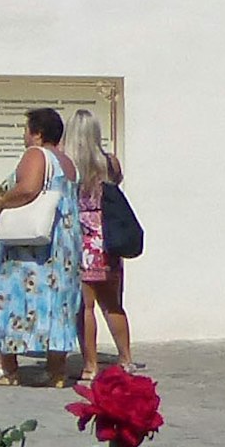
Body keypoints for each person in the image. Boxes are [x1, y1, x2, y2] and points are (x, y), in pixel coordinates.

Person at [0, 107, 79, 387]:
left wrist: (0, 201)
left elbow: (28, 189)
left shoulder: (36, 155)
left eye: (26, 129)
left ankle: (7, 367)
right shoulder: (67, 162)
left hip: (31, 246)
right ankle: (57, 370)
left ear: (37, 133)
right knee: (55, 303)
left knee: (10, 296)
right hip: (61, 244)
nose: (24, 135)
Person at [66, 113, 134, 374]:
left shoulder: (69, 165)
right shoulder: (110, 163)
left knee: (86, 306)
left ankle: (90, 364)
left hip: (81, 239)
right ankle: (126, 358)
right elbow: (116, 185)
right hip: (108, 238)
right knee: (113, 303)